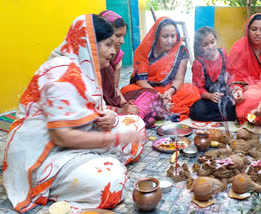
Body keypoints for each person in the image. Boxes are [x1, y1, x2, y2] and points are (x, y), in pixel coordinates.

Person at [3, 14, 146, 212]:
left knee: (136, 124)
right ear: (89, 44)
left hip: (78, 141)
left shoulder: (85, 69)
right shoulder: (60, 72)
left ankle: (91, 163)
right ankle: (47, 184)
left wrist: (111, 117)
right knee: (112, 181)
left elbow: (94, 112)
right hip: (45, 153)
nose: (114, 52)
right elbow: (61, 136)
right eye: (109, 45)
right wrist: (114, 138)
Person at [120, 16, 201, 121]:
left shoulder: (181, 51)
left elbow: (178, 79)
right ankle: (162, 107)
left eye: (173, 36)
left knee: (192, 90)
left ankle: (155, 108)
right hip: (147, 89)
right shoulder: (144, 50)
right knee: (127, 90)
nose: (170, 40)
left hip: (169, 89)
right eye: (165, 36)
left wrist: (170, 92)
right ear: (157, 35)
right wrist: (157, 95)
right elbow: (141, 80)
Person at [189, 26, 236, 121]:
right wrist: (210, 96)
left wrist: (231, 90)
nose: (210, 47)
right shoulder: (198, 63)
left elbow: (230, 75)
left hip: (223, 97)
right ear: (199, 46)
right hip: (208, 100)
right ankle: (223, 116)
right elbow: (198, 88)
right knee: (197, 111)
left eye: (212, 42)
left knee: (232, 108)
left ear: (216, 40)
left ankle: (224, 114)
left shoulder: (223, 53)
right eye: (205, 45)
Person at [99, 10, 139, 115]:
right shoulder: (91, 59)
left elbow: (115, 88)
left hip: (108, 102)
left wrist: (124, 104)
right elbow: (89, 104)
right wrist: (120, 110)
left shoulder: (117, 55)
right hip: (93, 105)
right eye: (117, 35)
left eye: (123, 36)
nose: (122, 41)